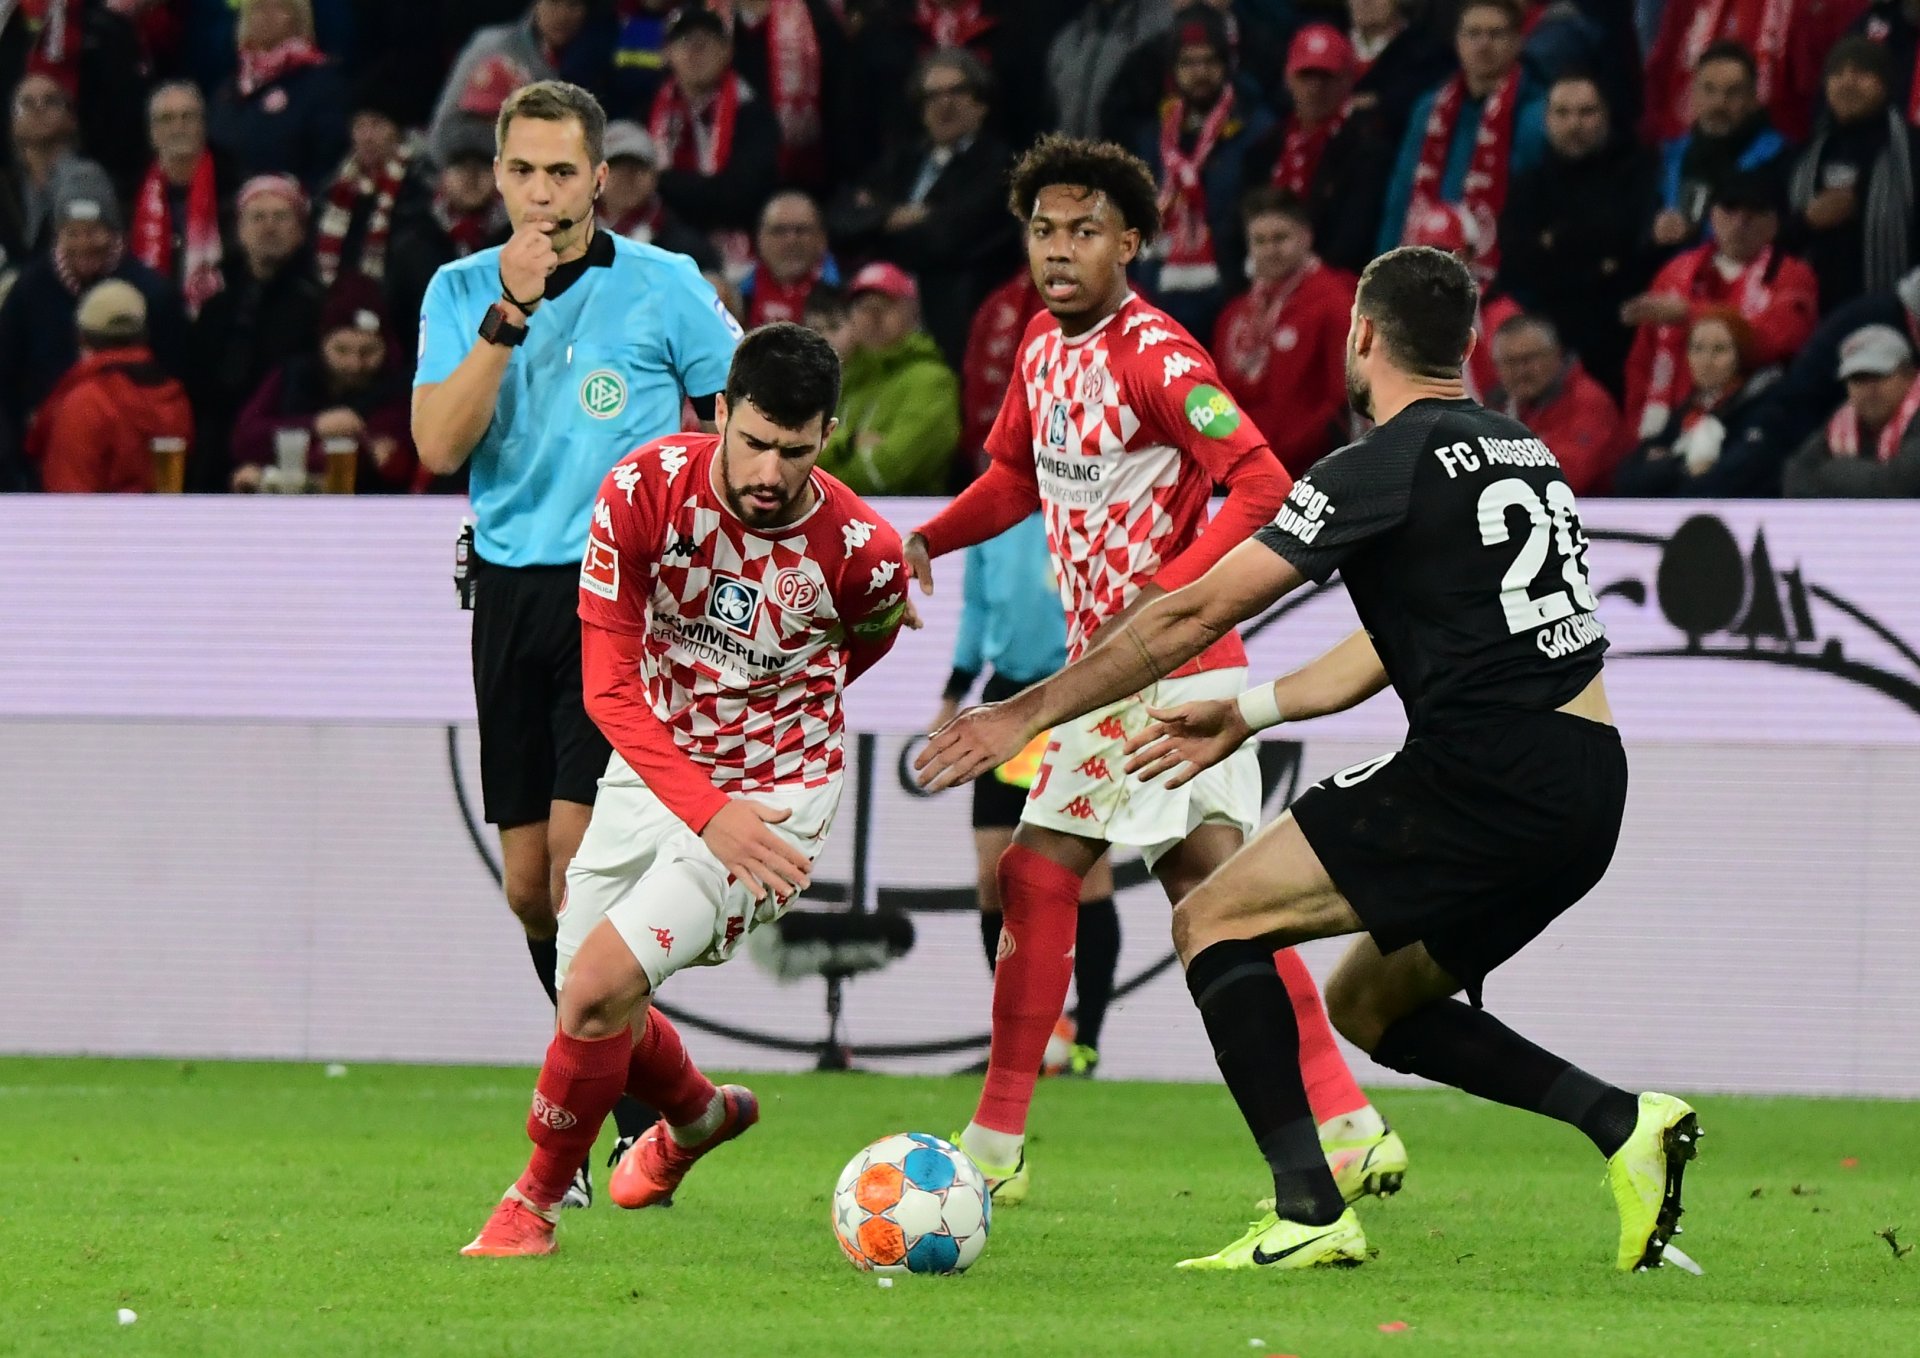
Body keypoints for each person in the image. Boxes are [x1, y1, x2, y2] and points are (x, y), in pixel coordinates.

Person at [916, 244, 1699, 1275]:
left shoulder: (1377, 465)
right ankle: (1622, 1120)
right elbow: (1398, 637)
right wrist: (1249, 708)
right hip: (1590, 788)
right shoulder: (1522, 450)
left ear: (1362, 334)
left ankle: (1308, 1207)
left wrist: (1030, 712)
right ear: (1466, 343)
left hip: (1485, 773)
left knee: (1212, 917)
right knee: (1375, 1004)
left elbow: (1194, 609)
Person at [903, 134, 1401, 1209]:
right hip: (1127, 667)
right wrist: (930, 542)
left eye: (1086, 231)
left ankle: (992, 1144)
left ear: (1130, 242)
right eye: (1044, 230)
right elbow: (1009, 478)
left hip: (1165, 666)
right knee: (1219, 895)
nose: (1060, 249)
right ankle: (1350, 1122)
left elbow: (1263, 481)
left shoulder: (1158, 354)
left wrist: (1171, 586)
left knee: (1040, 873)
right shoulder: (1041, 345)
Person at [459, 323, 914, 1257]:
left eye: (795, 450)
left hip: (774, 799)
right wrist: (701, 799)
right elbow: (608, 690)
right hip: (654, 767)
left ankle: (532, 1208)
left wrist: (753, 778)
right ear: (718, 413)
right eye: (752, 441)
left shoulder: (864, 551)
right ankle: (699, 1117)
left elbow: (858, 649)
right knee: (585, 1002)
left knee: (590, 991)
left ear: (825, 435)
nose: (770, 470)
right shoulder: (642, 492)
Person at [412, 80, 741, 1205]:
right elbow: (435, 442)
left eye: (563, 172)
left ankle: (607, 1124)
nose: (542, 193)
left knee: (573, 870)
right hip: (507, 593)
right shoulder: (461, 289)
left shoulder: (667, 286)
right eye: (522, 172)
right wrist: (509, 314)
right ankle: (670, 1103)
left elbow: (741, 421)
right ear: (496, 177)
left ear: (600, 177)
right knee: (527, 893)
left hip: (625, 600)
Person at [935, 512, 1121, 1076]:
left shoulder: (1089, 497)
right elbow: (975, 607)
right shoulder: (991, 510)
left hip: (1076, 697)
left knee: (1084, 877)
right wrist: (953, 692)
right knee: (996, 878)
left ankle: (1085, 1042)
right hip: (1005, 705)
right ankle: (1031, 1041)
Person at [825, 48, 1019, 369]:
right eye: (932, 96)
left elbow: (946, 238)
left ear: (981, 103)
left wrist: (876, 226)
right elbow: (840, 223)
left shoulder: (999, 165)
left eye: (957, 92)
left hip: (952, 321)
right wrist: (892, 218)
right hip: (883, 317)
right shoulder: (903, 161)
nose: (944, 104)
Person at [0, 160, 187, 455]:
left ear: (114, 232)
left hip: (132, 455)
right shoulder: (29, 291)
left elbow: (177, 380)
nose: (84, 245)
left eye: (95, 232)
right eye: (73, 233)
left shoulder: (153, 294)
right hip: (44, 457)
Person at [1621, 171, 1819, 441]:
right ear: (1712, 216)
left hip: (1744, 423)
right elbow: (1642, 362)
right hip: (1668, 424)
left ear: (1774, 223)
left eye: (1754, 213)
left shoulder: (1790, 275)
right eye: (1730, 209)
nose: (1739, 222)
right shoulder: (1676, 272)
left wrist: (1688, 314)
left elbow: (1776, 340)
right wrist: (1636, 436)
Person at [1497, 73, 1660, 397]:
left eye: (1586, 112)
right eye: (1563, 113)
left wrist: (1556, 241)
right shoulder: (1528, 184)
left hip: (1615, 336)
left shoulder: (1637, 171)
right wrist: (1594, 260)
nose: (1574, 124)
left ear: (1606, 116)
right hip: (1547, 329)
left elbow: (1630, 246)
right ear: (1546, 119)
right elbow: (1519, 261)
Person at [1131, 8, 1274, 340]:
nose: (1200, 73)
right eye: (1188, 63)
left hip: (1226, 297)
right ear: (1173, 71)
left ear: (1227, 66)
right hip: (1158, 298)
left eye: (1210, 62)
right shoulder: (1153, 138)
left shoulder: (1257, 131)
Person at [1376, 0, 1548, 273]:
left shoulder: (1538, 113)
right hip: (1423, 261)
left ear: (1517, 42)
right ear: (1457, 41)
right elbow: (1401, 196)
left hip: (1497, 271)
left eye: (1495, 34)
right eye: (1473, 33)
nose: (1483, 44)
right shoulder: (1429, 108)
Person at [185, 174, 325, 492]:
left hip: (283, 463)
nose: (268, 226)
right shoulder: (215, 308)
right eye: (258, 217)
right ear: (240, 230)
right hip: (214, 464)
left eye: (280, 217)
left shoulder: (318, 306)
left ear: (301, 230)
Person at [1212, 188, 1355, 478]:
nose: (1270, 249)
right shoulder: (1234, 315)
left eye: (1280, 238)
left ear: (1306, 236)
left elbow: (1344, 398)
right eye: (1260, 241)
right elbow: (1218, 393)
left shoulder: (1335, 302)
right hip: (1243, 473)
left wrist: (1292, 452)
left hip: (1312, 473)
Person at [231, 278, 417, 493]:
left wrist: (267, 471)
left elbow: (382, 463)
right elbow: (243, 439)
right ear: (323, 344)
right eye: (341, 350)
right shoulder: (291, 376)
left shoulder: (399, 390)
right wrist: (317, 425)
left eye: (367, 352)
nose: (354, 364)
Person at [1245, 22, 1395, 277]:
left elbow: (1354, 237)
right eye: (1306, 76)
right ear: (1288, 78)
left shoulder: (1367, 149)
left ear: (1348, 79)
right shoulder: (1264, 148)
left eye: (1326, 77)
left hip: (1334, 282)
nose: (1315, 88)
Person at [647, 7, 782, 277]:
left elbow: (742, 196)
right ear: (668, 54)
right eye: (685, 42)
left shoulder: (754, 115)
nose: (695, 52)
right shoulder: (648, 112)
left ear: (727, 52)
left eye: (706, 43)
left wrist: (665, 182)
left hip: (737, 246)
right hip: (662, 240)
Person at [25, 279, 193, 494]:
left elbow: (68, 498)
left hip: (97, 526)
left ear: (81, 338)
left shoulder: (85, 403)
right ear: (144, 336)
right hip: (162, 525)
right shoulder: (174, 398)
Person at [1788, 36, 1917, 313]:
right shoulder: (1804, 155)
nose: (1847, 82)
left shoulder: (1912, 152)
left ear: (1885, 84)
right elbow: (1774, 240)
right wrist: (1808, 220)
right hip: (1811, 314)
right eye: (1837, 73)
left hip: (1893, 316)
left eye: (1862, 72)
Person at [817, 262, 961, 495]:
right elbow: (805, 446)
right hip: (842, 517)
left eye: (886, 306)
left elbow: (891, 470)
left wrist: (815, 481)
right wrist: (850, 442)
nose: (873, 317)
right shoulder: (846, 376)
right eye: (864, 307)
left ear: (911, 313)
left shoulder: (932, 380)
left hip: (905, 520)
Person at [1614, 309, 1787, 497]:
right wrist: (1684, 466)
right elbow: (1627, 477)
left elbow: (1730, 480)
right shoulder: (1690, 408)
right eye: (1697, 348)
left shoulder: (1761, 406)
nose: (1706, 360)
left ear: (1742, 354)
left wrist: (1665, 468)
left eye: (1719, 350)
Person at [1650, 41, 1790, 257]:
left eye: (1732, 92)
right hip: (1673, 279)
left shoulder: (1781, 158)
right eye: (1709, 90)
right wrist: (1654, 230)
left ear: (1753, 99)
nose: (1719, 103)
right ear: (1693, 95)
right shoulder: (1667, 157)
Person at [207, 0, 350, 188]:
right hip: (233, 207)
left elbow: (328, 156)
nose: (267, 15)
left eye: (278, 7)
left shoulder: (321, 81)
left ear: (298, 18)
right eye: (258, 8)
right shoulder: (227, 89)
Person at [1490, 314, 1629, 495]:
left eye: (1529, 359)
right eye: (1509, 362)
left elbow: (1565, 478)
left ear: (1556, 354)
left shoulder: (1588, 402)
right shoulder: (1497, 406)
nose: (1520, 371)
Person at [130, 81, 232, 319]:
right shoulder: (130, 196)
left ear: (203, 125)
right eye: (167, 119)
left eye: (188, 117)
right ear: (152, 133)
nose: (178, 127)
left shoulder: (233, 187)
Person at [1784, 320, 1920, 494]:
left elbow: (1900, 485)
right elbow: (1796, 477)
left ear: (1908, 375)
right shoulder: (1842, 422)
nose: (1869, 389)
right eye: (1858, 378)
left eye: (1879, 375)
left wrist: (1833, 471)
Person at [597, 121, 719, 271]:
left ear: (655, 175)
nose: (627, 178)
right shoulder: (569, 237)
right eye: (615, 168)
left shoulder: (686, 250)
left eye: (637, 168)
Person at [1, 73, 81, 267]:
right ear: (13, 124)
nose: (38, 109)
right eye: (26, 104)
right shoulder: (4, 185)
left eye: (50, 101)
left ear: (70, 119)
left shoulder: (88, 179)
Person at [739, 189, 838, 327]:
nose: (791, 240)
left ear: (822, 239)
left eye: (801, 230)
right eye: (779, 230)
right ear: (759, 239)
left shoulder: (846, 297)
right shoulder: (736, 296)